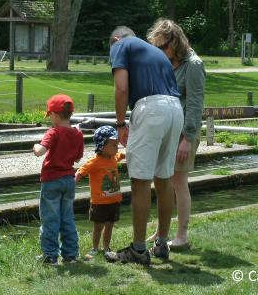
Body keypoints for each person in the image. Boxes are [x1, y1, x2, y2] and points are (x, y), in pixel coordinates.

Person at [105, 26, 183, 266]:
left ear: (116, 39)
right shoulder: (157, 52)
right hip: (174, 108)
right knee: (164, 179)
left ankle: (138, 249)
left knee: (140, 181)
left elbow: (121, 88)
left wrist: (120, 124)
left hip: (150, 109)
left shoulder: (120, 44)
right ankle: (161, 243)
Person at [147, 19, 206, 251]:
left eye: (163, 47)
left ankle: (181, 236)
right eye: (157, 47)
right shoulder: (168, 62)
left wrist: (187, 139)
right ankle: (161, 231)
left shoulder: (193, 65)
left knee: (179, 182)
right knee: (163, 181)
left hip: (183, 134)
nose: (160, 52)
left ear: (175, 41)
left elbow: (194, 104)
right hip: (166, 131)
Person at [32, 94, 84, 265]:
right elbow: (77, 158)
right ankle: (70, 255)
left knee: (50, 219)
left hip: (52, 181)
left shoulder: (53, 132)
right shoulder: (77, 134)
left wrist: (35, 146)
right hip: (69, 180)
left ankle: (50, 255)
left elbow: (40, 151)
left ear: (54, 114)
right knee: (67, 217)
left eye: (50, 116)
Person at [75, 125, 125, 260]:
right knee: (98, 227)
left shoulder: (114, 157)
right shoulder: (95, 162)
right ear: (102, 146)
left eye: (117, 144)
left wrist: (129, 152)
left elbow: (122, 155)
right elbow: (82, 170)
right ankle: (95, 247)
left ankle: (106, 247)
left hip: (114, 200)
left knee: (109, 226)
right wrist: (76, 178)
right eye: (114, 145)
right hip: (99, 202)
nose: (117, 147)